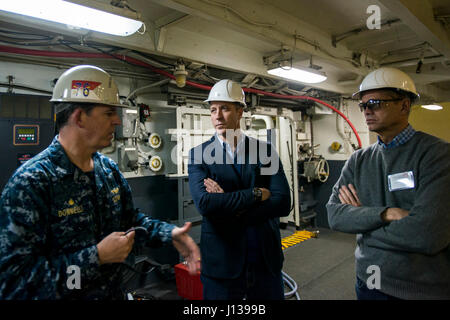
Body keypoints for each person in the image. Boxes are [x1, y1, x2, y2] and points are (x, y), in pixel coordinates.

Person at [0, 65, 200, 299]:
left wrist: (170, 233)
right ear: (79, 117)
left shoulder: (107, 170)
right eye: (108, 113)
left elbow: (131, 221)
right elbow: (15, 283)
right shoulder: (32, 183)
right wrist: (96, 257)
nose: (117, 121)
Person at [326, 67, 450, 300]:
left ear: (404, 105)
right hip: (368, 282)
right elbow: (334, 215)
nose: (367, 111)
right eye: (363, 105)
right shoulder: (358, 160)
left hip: (420, 289)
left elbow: (428, 235)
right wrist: (386, 214)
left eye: (375, 103)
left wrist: (363, 224)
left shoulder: (438, 155)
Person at [187, 79, 291, 300]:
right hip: (222, 261)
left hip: (264, 257)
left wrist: (228, 205)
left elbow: (283, 202)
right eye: (213, 109)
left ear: (240, 111)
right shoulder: (199, 155)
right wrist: (256, 194)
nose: (218, 116)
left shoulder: (265, 151)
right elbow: (205, 204)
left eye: (224, 108)